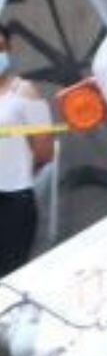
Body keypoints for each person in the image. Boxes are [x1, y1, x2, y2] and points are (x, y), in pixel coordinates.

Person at [0, 26, 54, 276]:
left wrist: (16, 172)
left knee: (10, 274)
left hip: (14, 200)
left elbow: (45, 150)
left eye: (0, 47)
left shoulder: (25, 91)